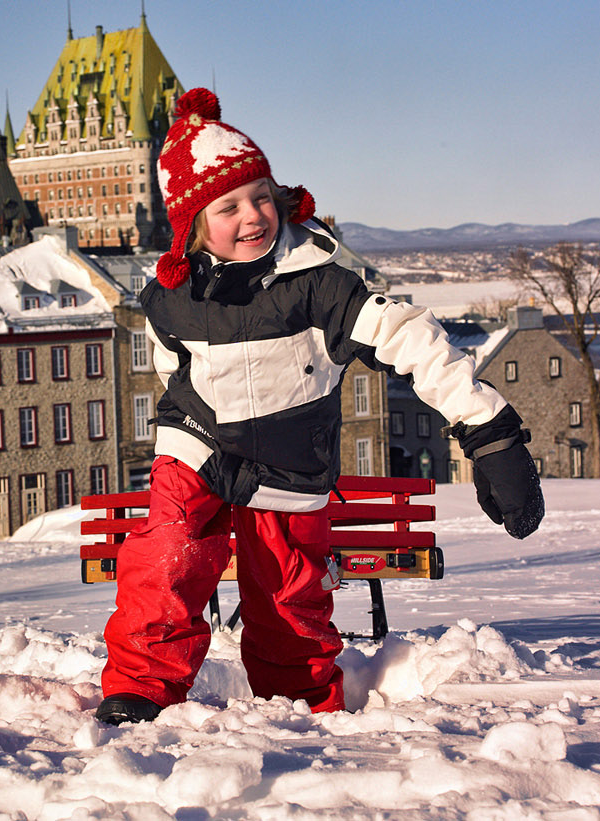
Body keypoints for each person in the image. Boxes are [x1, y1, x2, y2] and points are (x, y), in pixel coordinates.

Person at [96, 88, 544, 725]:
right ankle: (139, 688)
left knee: (287, 595)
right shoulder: (171, 297)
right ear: (194, 225)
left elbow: (411, 339)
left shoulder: (321, 285)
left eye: (261, 197)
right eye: (229, 207)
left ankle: (298, 703)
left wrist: (490, 433)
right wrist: (185, 429)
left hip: (288, 463)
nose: (253, 216)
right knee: (166, 555)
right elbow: (174, 368)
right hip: (199, 446)